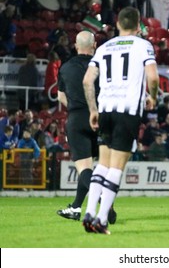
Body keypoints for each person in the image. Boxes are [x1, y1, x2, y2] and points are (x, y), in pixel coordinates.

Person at [82, 7, 159, 234]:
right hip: (127, 110)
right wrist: (152, 97)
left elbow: (88, 81)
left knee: (102, 164)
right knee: (116, 167)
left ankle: (89, 212)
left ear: (117, 25)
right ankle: (102, 219)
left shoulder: (104, 47)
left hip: (105, 108)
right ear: (138, 26)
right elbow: (153, 76)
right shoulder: (143, 45)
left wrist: (93, 109)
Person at [56, 31, 117, 223]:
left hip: (77, 118)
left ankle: (100, 198)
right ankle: (75, 207)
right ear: (94, 45)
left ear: (75, 46)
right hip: (102, 118)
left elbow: (60, 97)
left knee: (84, 168)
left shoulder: (65, 67)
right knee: (99, 167)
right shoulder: (103, 65)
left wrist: (76, 106)